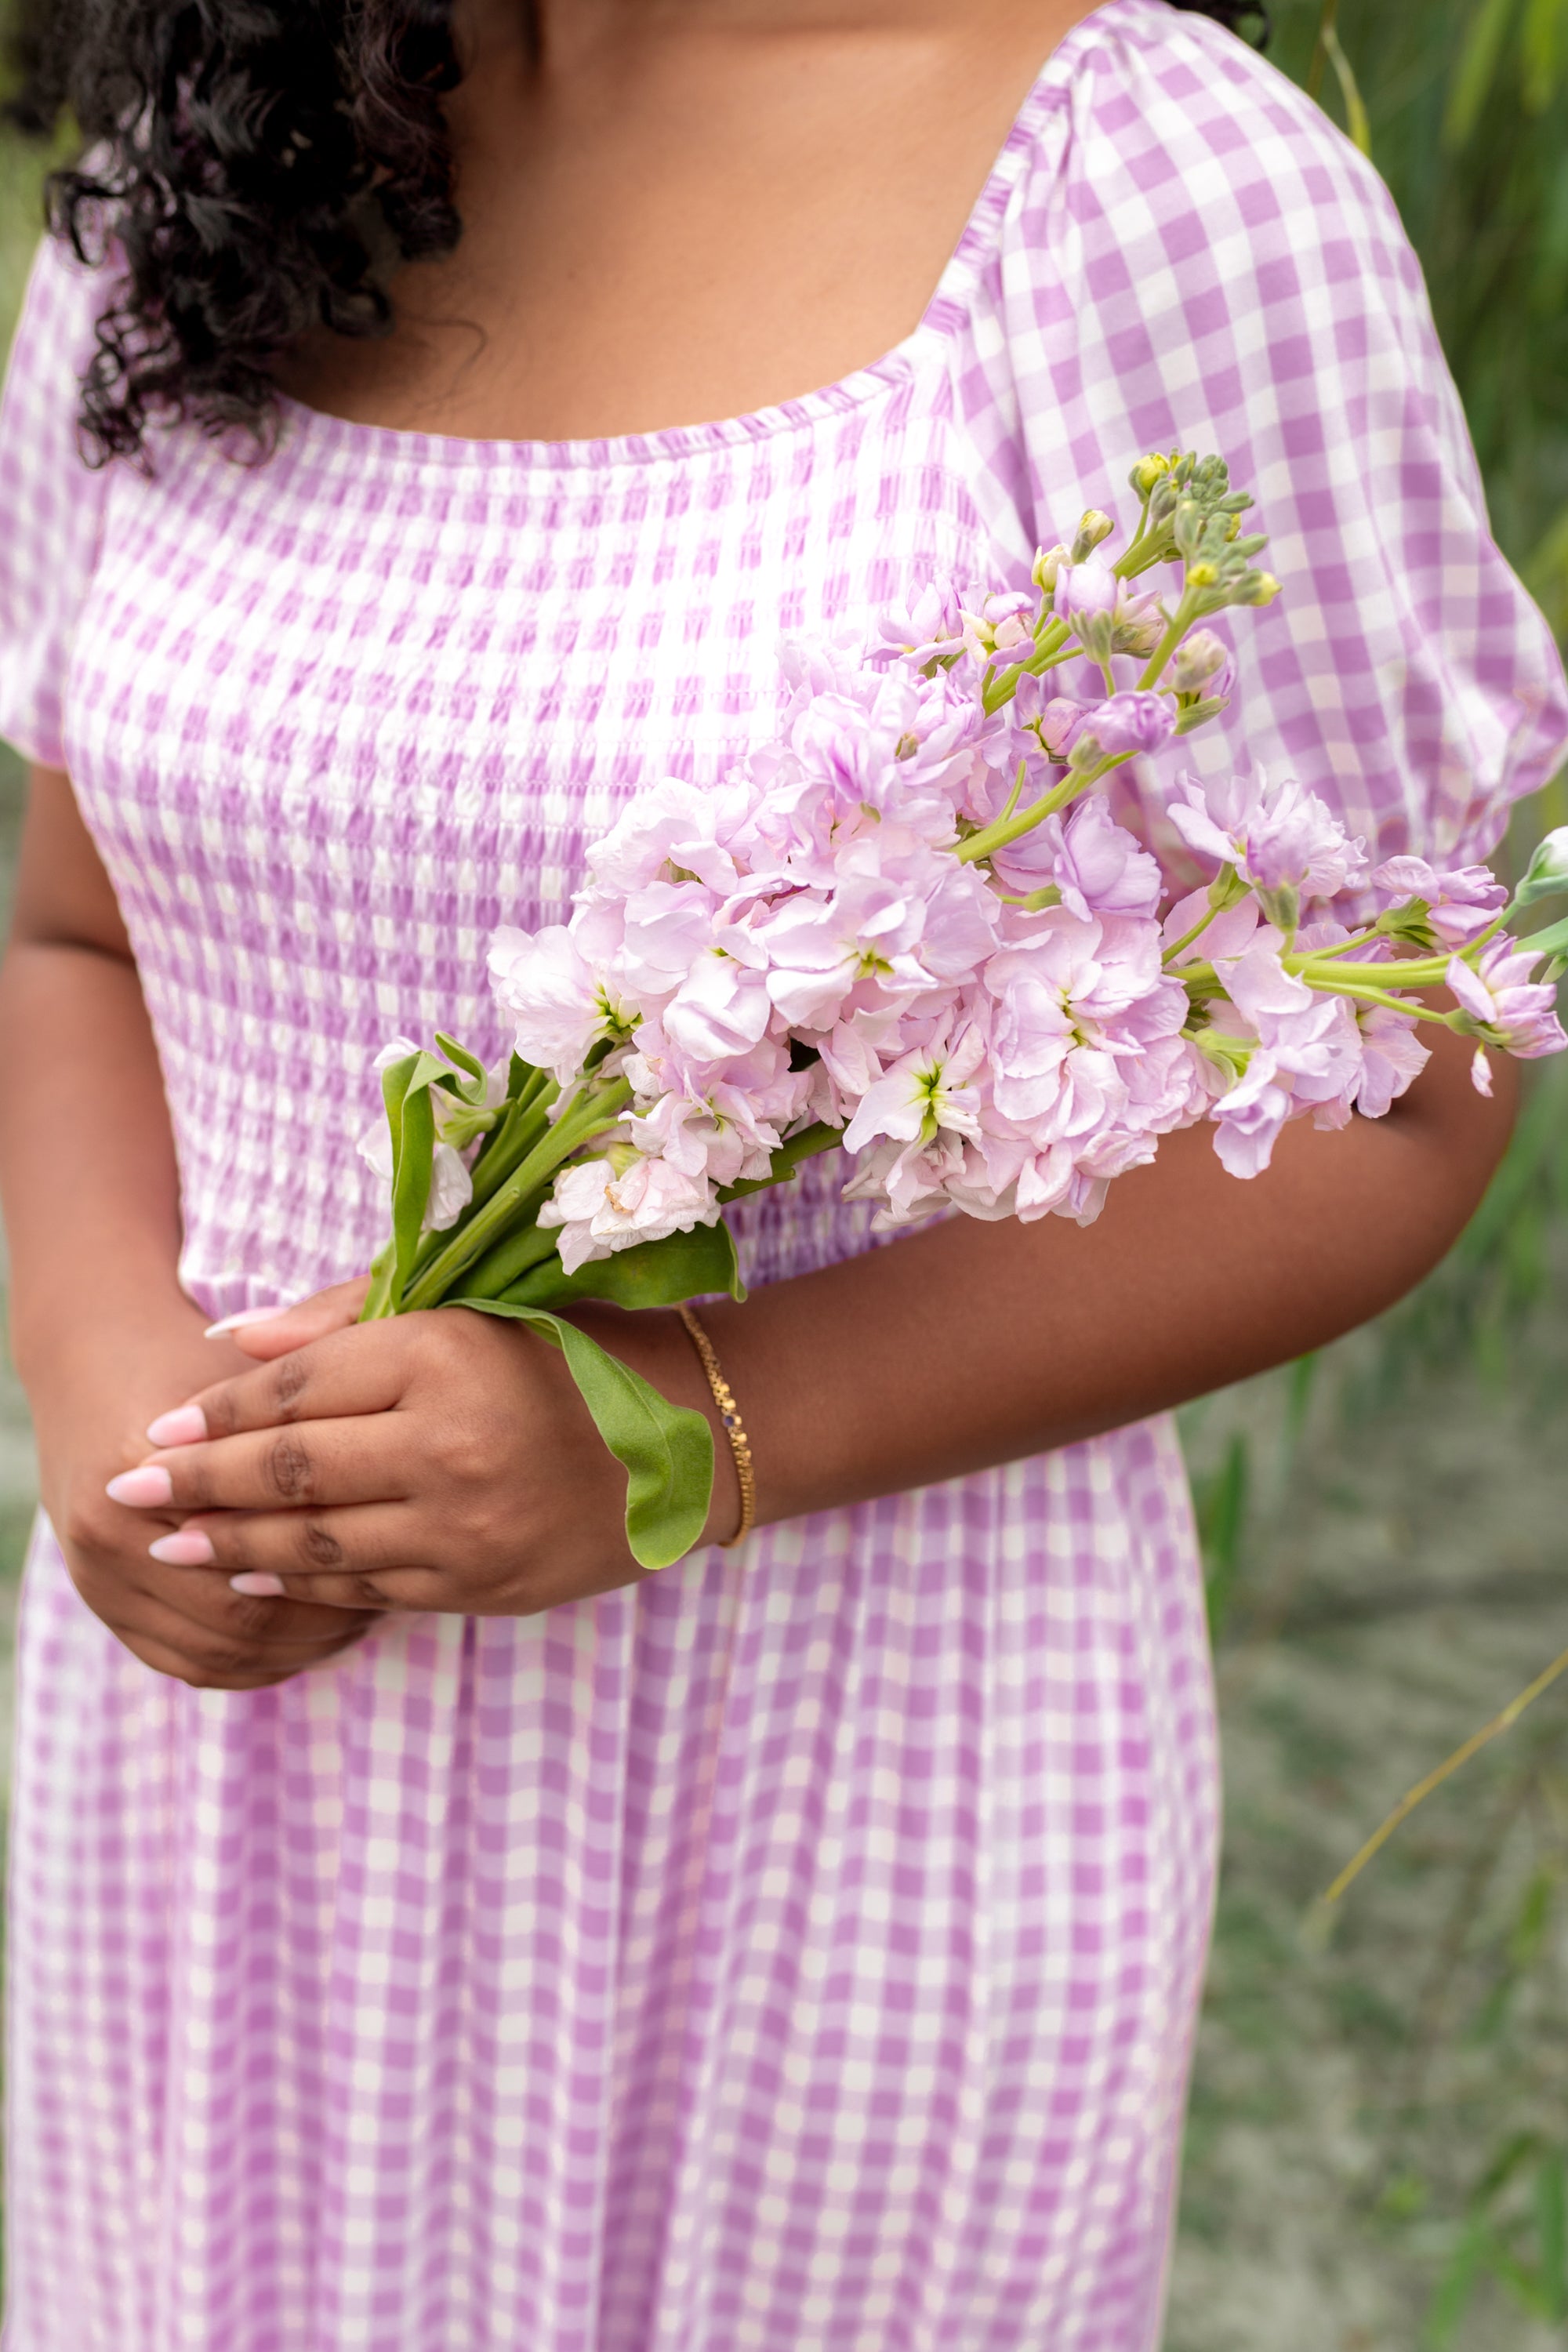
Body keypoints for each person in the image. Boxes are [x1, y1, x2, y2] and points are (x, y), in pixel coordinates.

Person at [0, 1, 1562, 2344]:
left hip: (838, 1744)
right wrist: (127, 1414)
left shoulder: (1141, 181)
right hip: (238, 1750)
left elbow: (1405, 1071)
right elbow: (72, 921)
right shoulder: (216, 157)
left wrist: (681, 1426)